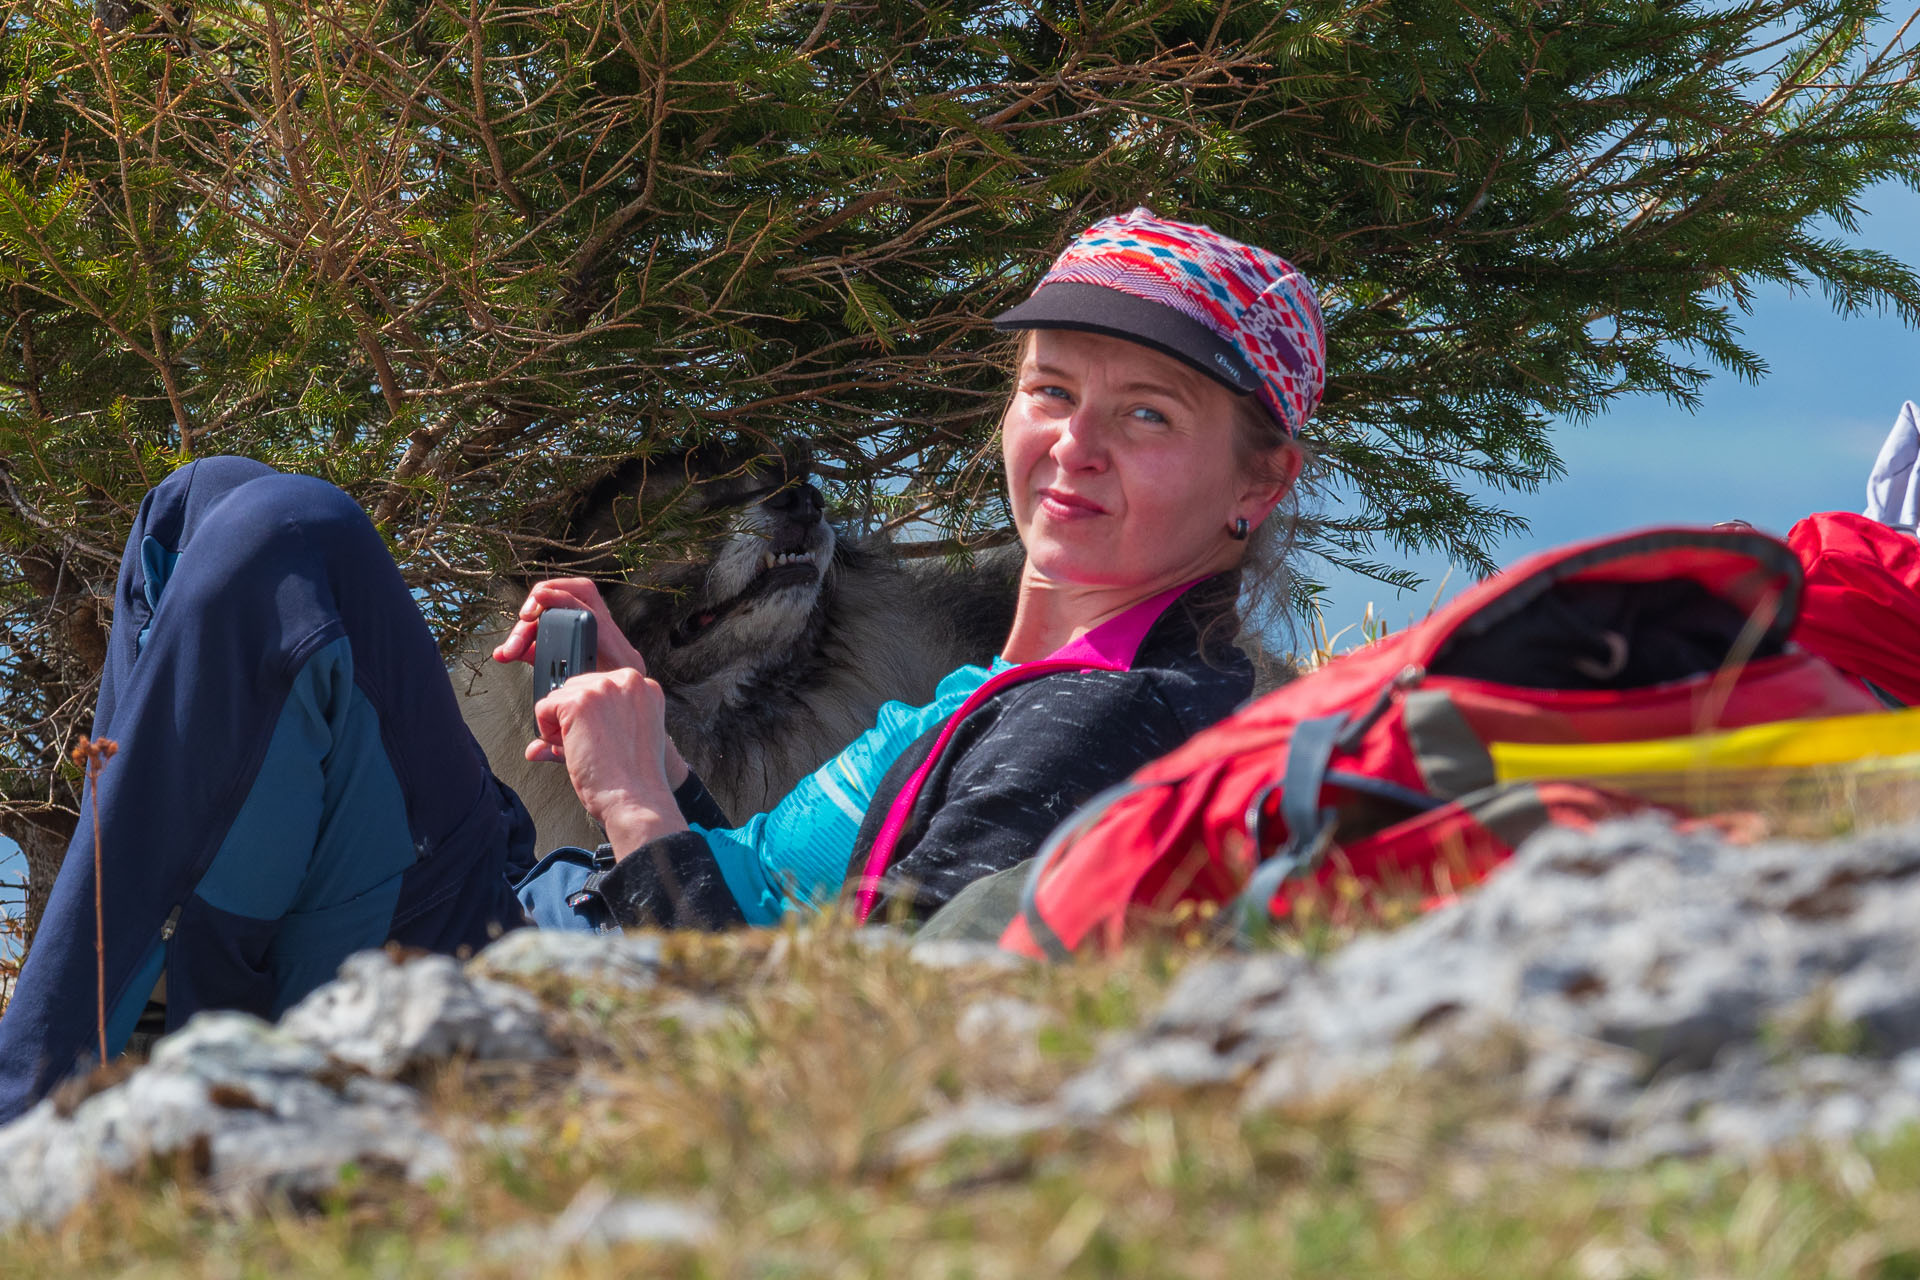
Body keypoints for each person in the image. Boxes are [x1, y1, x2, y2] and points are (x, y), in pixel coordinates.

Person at [0, 208, 1324, 1120]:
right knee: (206, 505)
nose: (1073, 445)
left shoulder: (1113, 719)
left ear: (1259, 481)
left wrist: (635, 804)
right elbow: (770, 915)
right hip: (534, 924)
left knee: (292, 539)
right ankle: (154, 1020)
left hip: (536, 988)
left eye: (1145, 415)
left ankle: (33, 1103)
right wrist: (664, 759)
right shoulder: (1023, 684)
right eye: (1050, 389)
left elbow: (841, 1046)